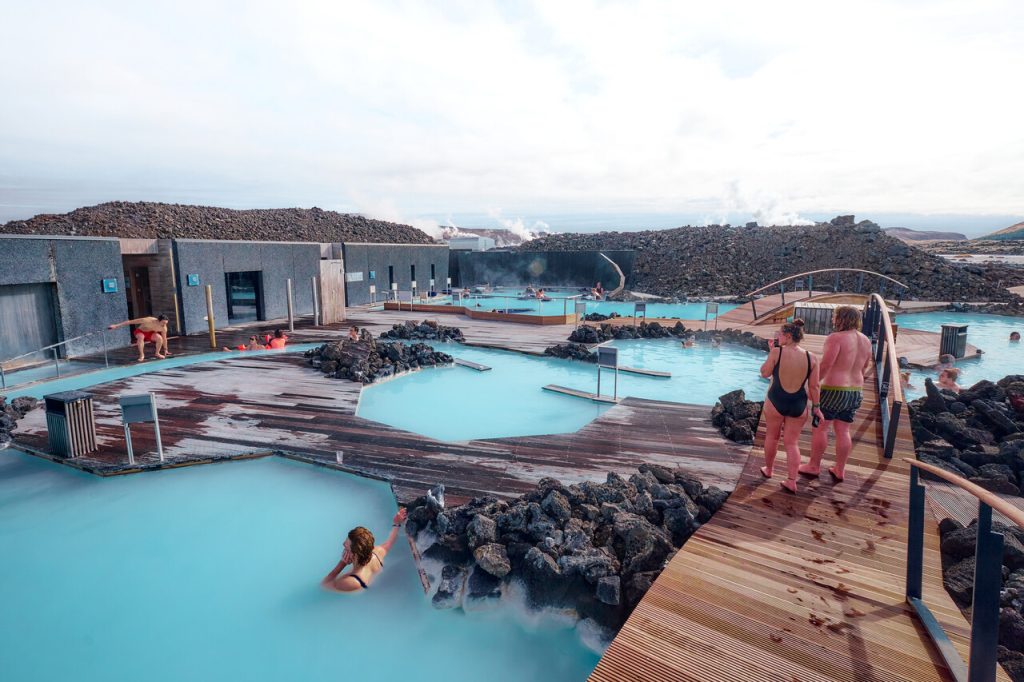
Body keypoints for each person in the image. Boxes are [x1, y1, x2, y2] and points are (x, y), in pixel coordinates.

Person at [800, 306, 873, 483]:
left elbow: (825, 365)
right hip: (855, 391)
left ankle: (814, 466)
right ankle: (840, 469)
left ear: (841, 318)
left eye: (834, 316)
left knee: (821, 427)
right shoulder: (865, 340)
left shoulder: (836, 338)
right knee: (843, 430)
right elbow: (864, 368)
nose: (833, 319)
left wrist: (813, 385)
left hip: (833, 390)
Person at [759, 320, 822, 494]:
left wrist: (771, 352)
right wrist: (816, 407)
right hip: (798, 404)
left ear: (788, 336)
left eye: (780, 334)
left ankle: (769, 470)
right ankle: (792, 481)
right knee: (792, 443)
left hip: (775, 401)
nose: (777, 337)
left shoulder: (777, 352)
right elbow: (814, 387)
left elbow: (764, 373)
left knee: (772, 437)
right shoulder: (811, 357)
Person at [321, 508, 408, 593]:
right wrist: (396, 523)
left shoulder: (351, 582)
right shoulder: (375, 554)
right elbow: (389, 542)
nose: (343, 544)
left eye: (346, 546)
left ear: (354, 555)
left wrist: (342, 563)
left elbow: (324, 585)